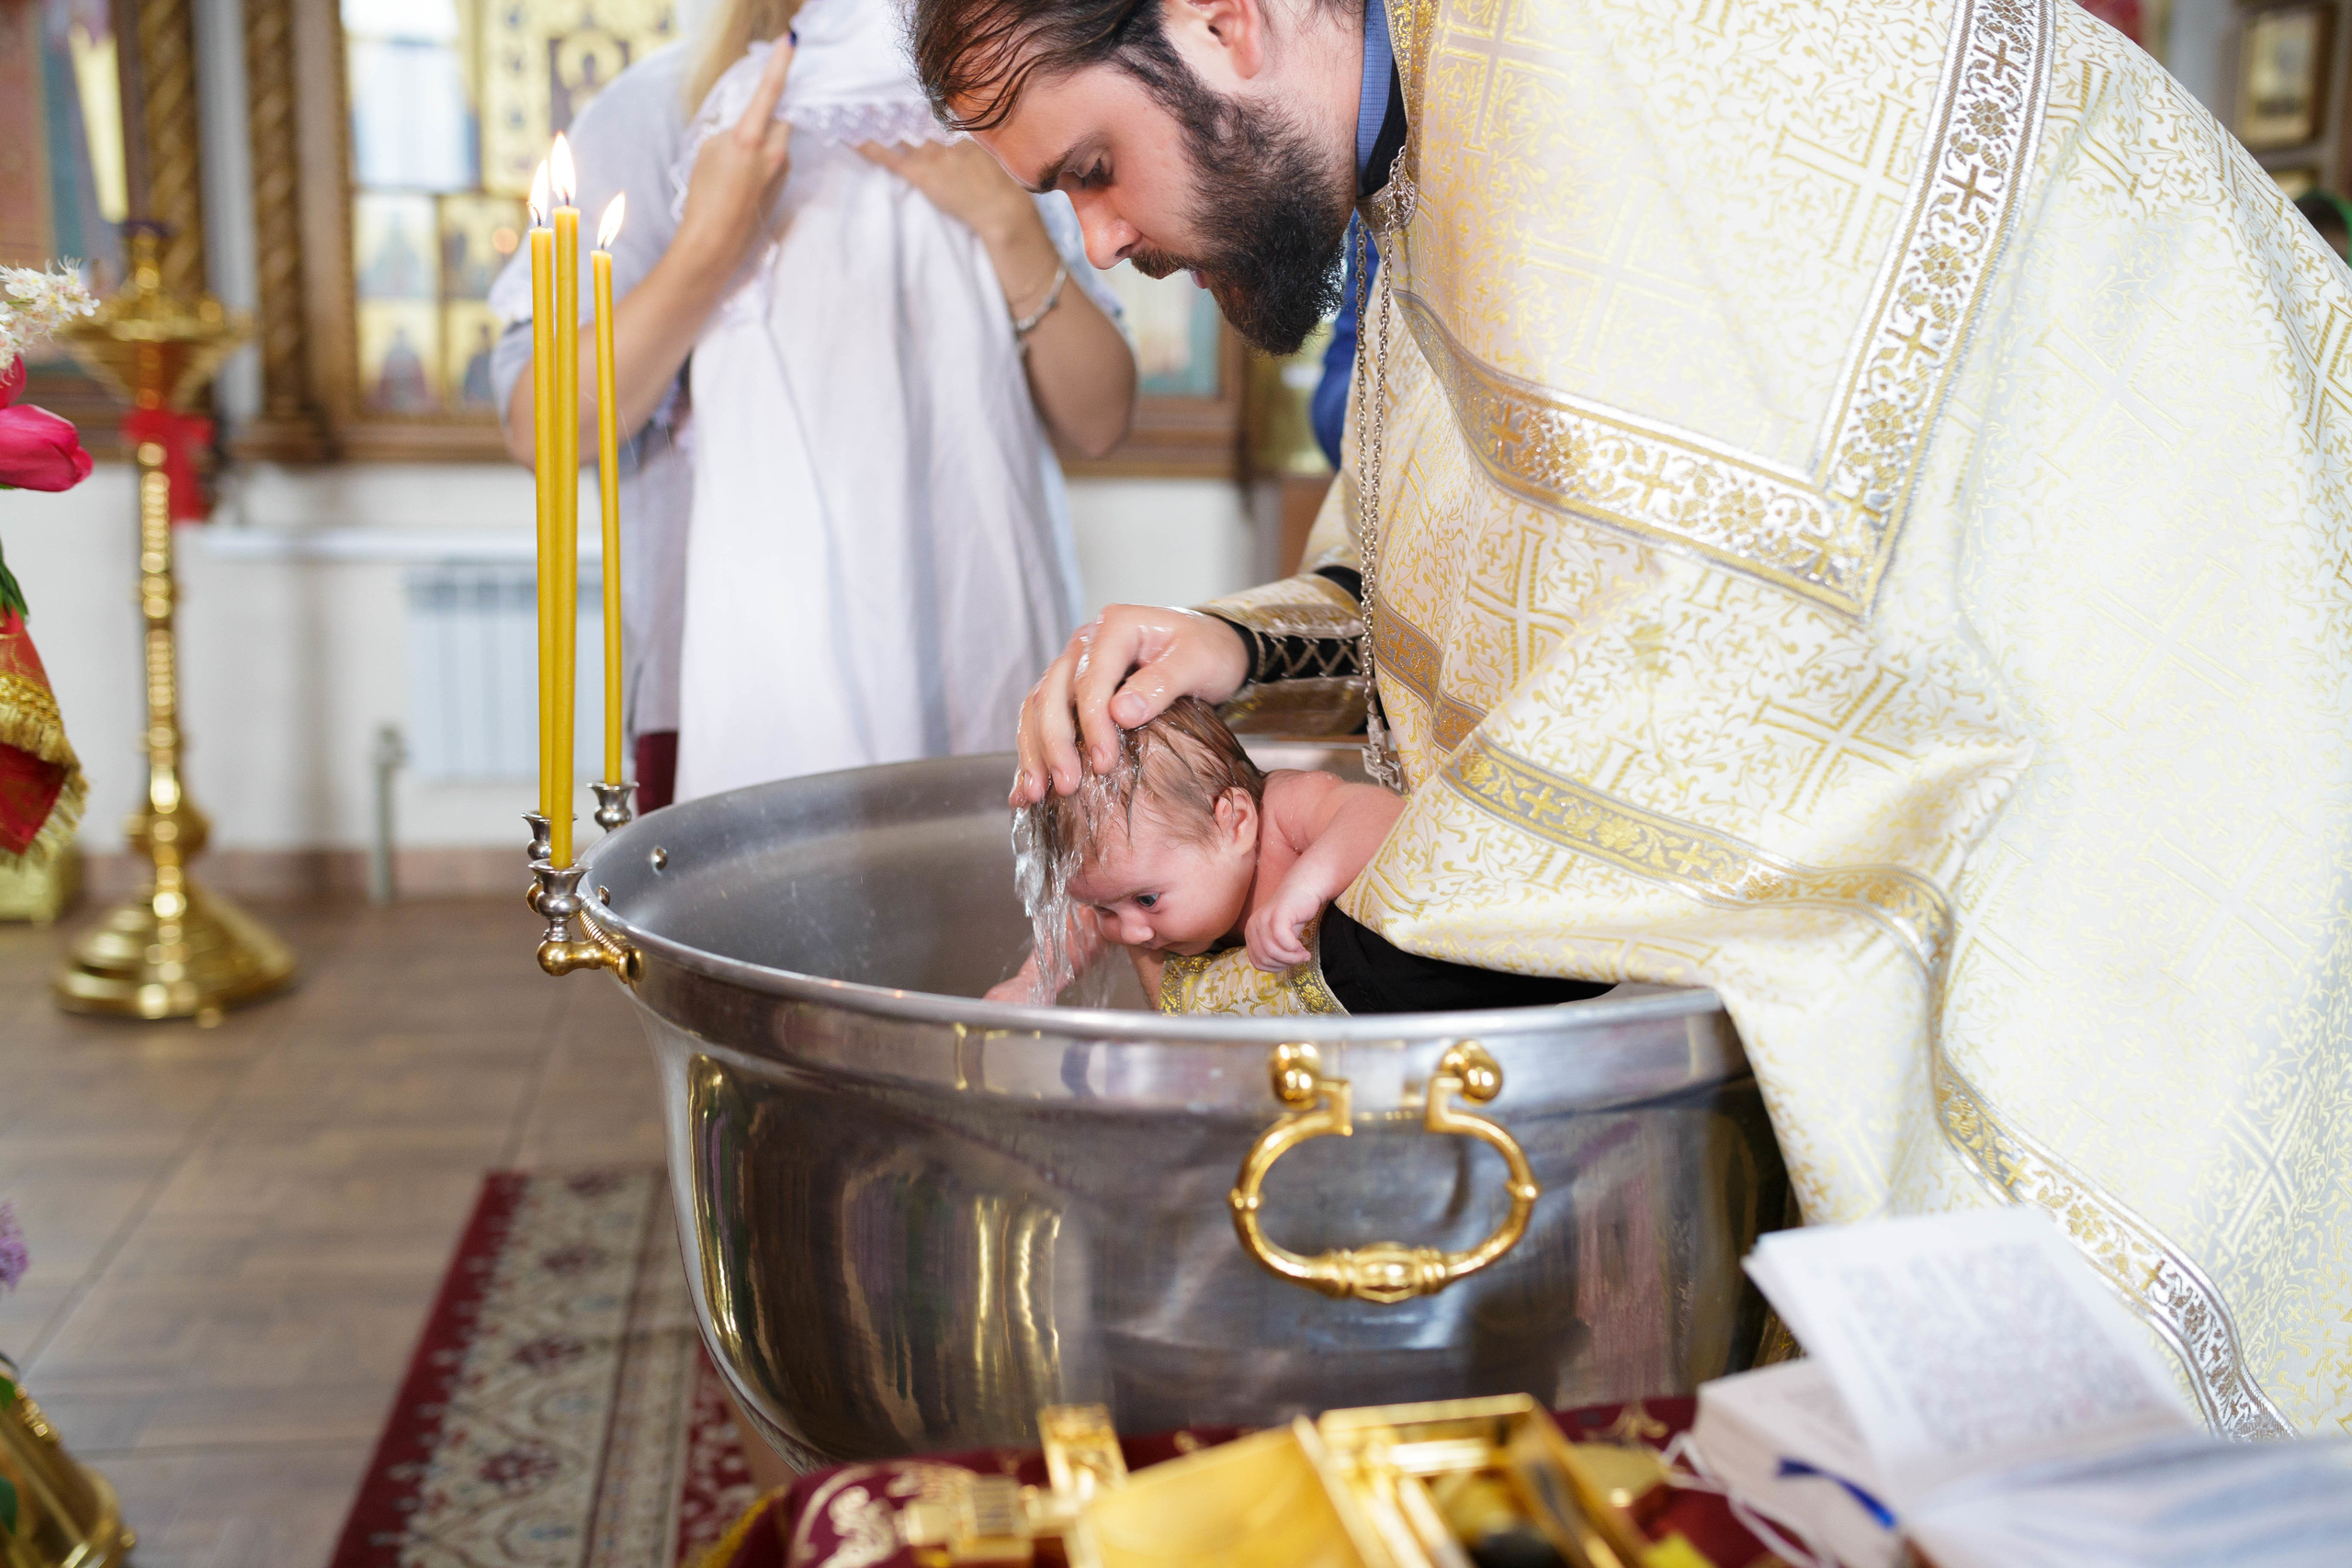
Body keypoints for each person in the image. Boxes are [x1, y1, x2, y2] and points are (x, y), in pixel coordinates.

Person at [910, 0, 2352, 1434]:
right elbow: (1530, 578)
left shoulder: (1586, 81)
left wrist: (1333, 936)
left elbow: (1765, 662)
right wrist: (1243, 641)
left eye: (1092, 167)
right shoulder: (1446, 111)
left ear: (1226, 21)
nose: (1100, 241)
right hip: (2060, 759)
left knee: (2115, 1468)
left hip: (2172, 783)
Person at [492, 0, 1137, 806]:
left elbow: (1104, 417)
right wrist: (709, 245)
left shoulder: (998, 101)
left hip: (982, 672)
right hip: (731, 684)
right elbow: (539, 427)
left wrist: (1008, 223)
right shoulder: (665, 112)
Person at [990, 696, 1611, 1010]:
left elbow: (1380, 815)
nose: (1129, 930)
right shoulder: (1134, 901)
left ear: (1232, 822)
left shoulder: (1282, 817)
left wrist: (1305, 887)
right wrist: (1031, 983)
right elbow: (1085, 916)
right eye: (1109, 908)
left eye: (1147, 898)